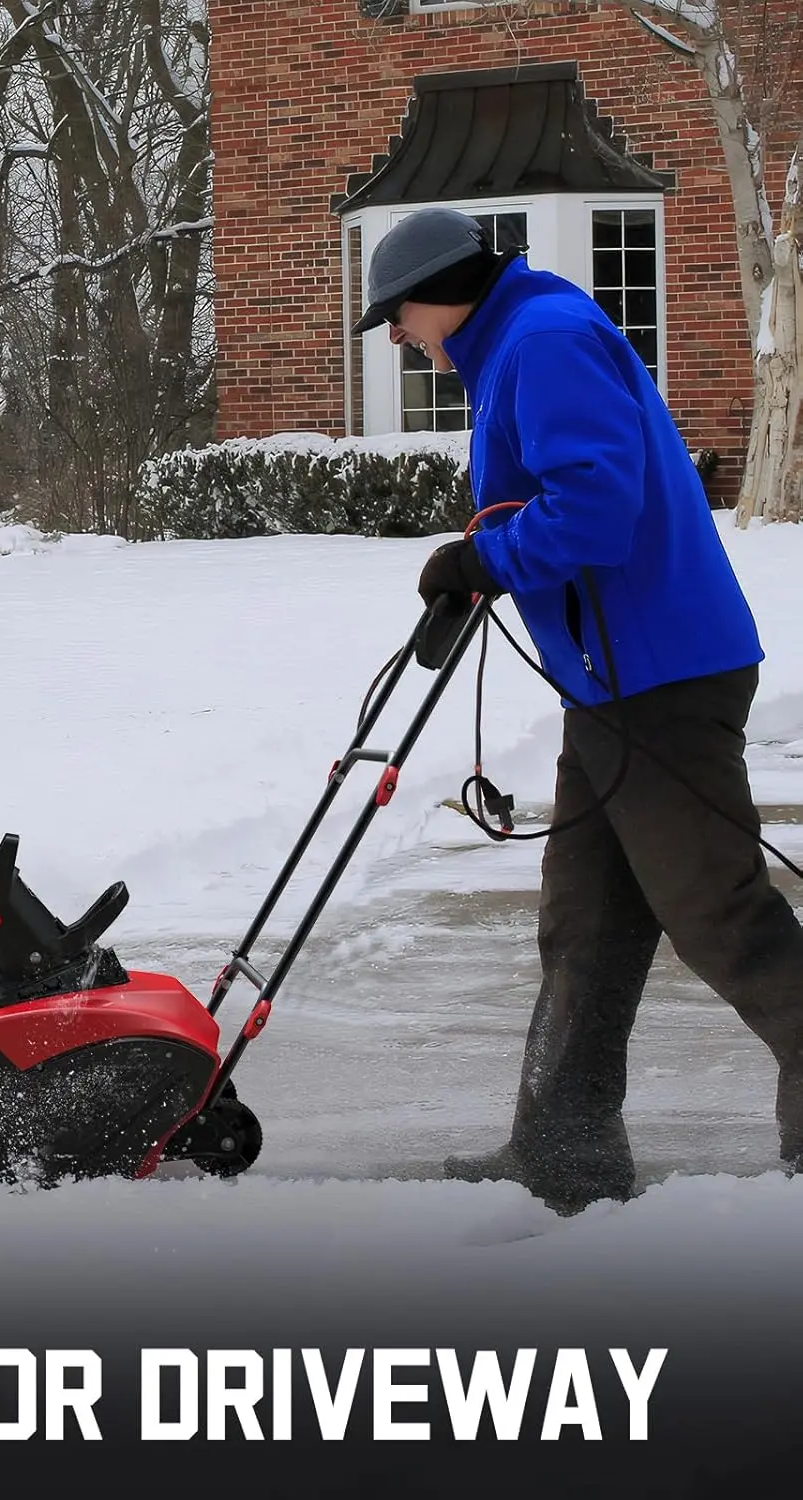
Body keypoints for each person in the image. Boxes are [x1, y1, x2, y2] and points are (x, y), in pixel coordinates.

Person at [351, 207, 803, 1214]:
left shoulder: (543, 343)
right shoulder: (522, 336)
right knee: (586, 923)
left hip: (660, 680)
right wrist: (489, 563)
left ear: (447, 288)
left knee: (718, 913)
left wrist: (486, 558)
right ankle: (564, 1153)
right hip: (613, 682)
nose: (395, 334)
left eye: (399, 312)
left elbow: (598, 510)